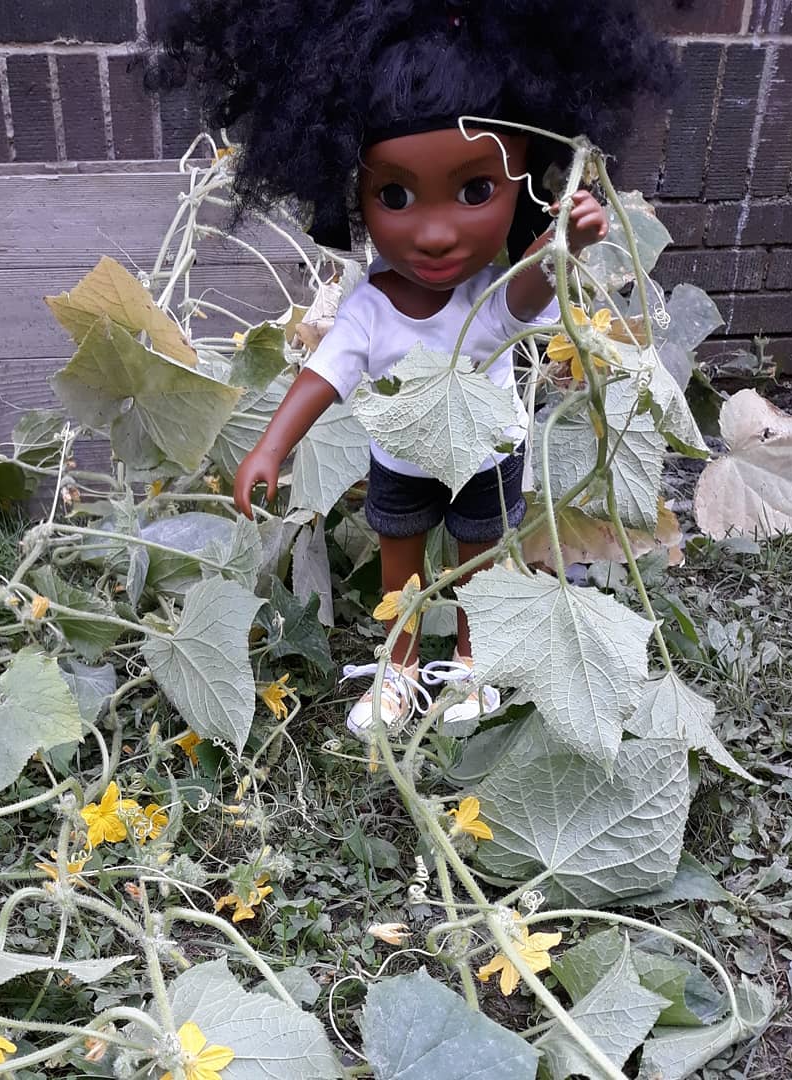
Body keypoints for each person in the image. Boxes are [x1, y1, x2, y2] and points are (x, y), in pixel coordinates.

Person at [149, 0, 677, 737]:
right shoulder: (368, 307)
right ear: (353, 196)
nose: (434, 232)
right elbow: (322, 375)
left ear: (526, 180)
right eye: (395, 195)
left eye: (474, 192)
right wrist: (272, 445)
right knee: (402, 570)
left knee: (482, 566)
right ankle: (398, 665)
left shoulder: (483, 293)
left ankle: (471, 656)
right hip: (398, 461)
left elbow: (523, 296)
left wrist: (565, 246)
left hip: (489, 457)